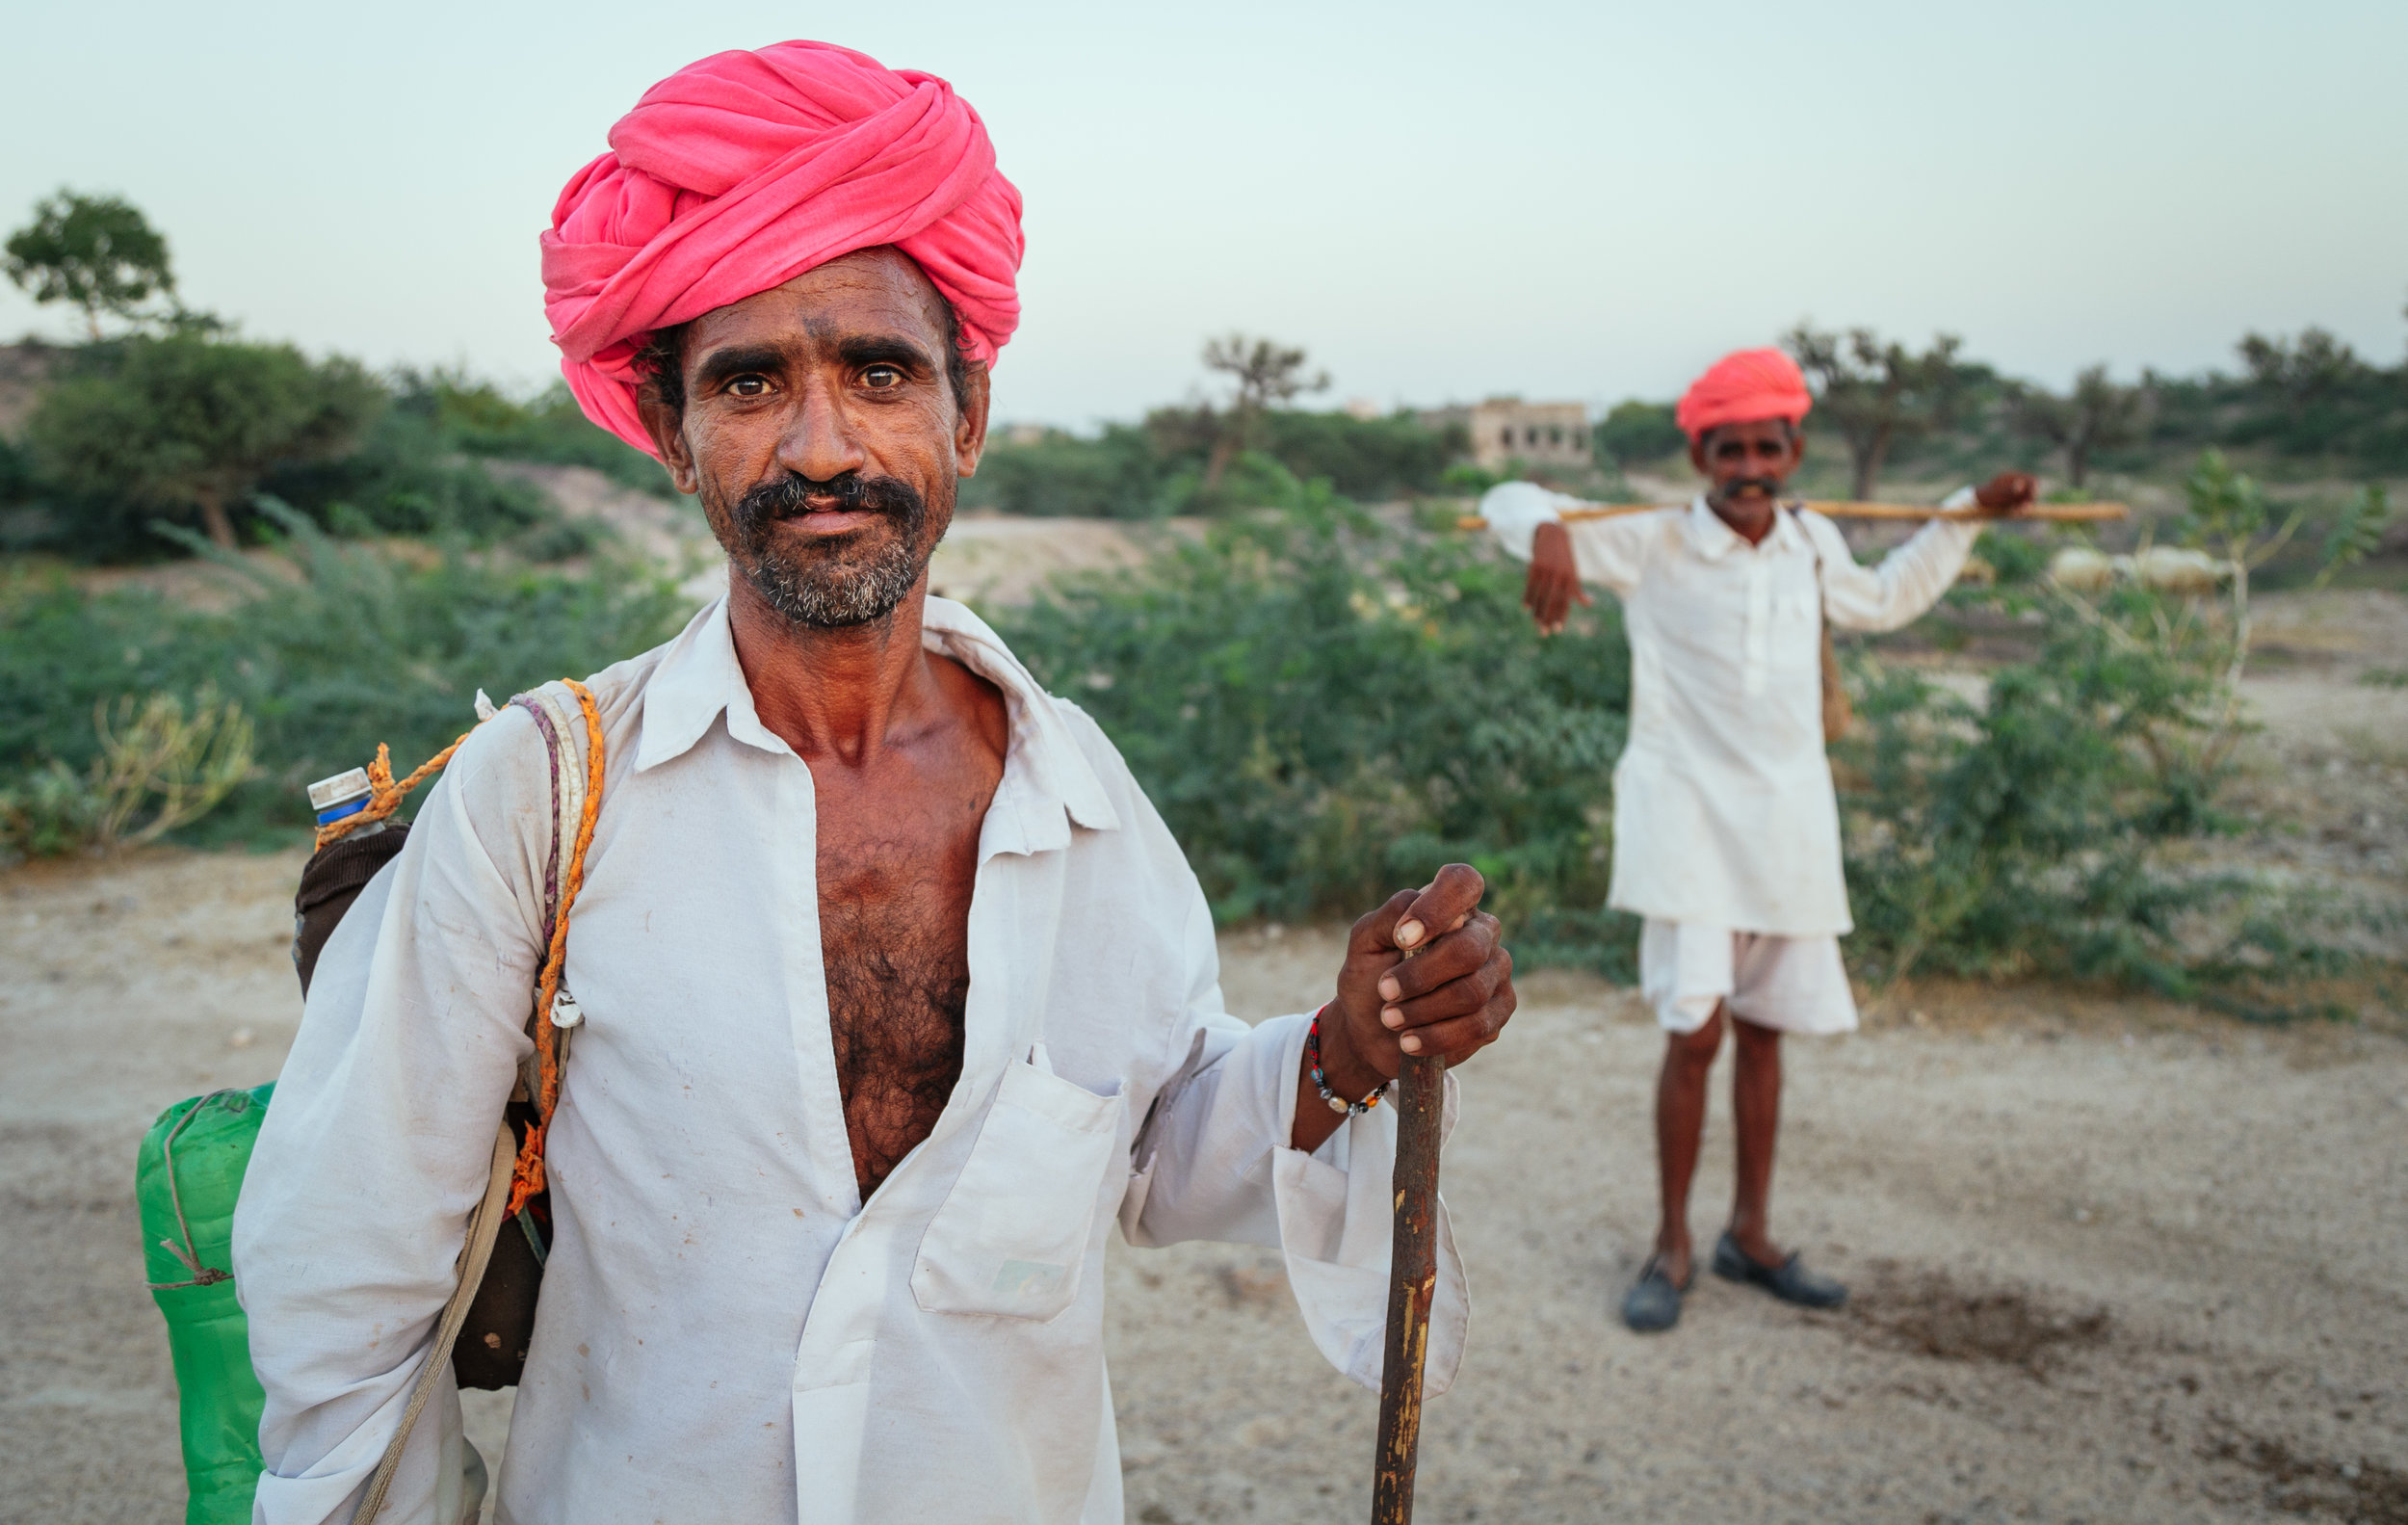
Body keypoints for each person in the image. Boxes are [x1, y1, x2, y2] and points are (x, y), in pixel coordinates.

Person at [234, 41, 1517, 1525]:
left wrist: (1346, 1043)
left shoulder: (1076, 795)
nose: (822, 442)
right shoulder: (541, 795)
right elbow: (355, 1253)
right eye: (751, 380)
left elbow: (1156, 1147)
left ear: (964, 418)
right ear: (673, 435)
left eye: (880, 371)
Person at [1479, 346, 2029, 1333]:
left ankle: (1752, 1234)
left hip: (1786, 821)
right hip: (1686, 819)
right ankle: (1671, 1245)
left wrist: (1967, 508)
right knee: (1693, 1037)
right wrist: (1552, 530)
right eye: (1726, 447)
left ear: (1791, 450)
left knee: (1765, 1035)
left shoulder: (1813, 544)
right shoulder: (1647, 539)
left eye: (1764, 446)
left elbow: (1889, 596)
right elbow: (1503, 491)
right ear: (1699, 454)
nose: (1746, 464)